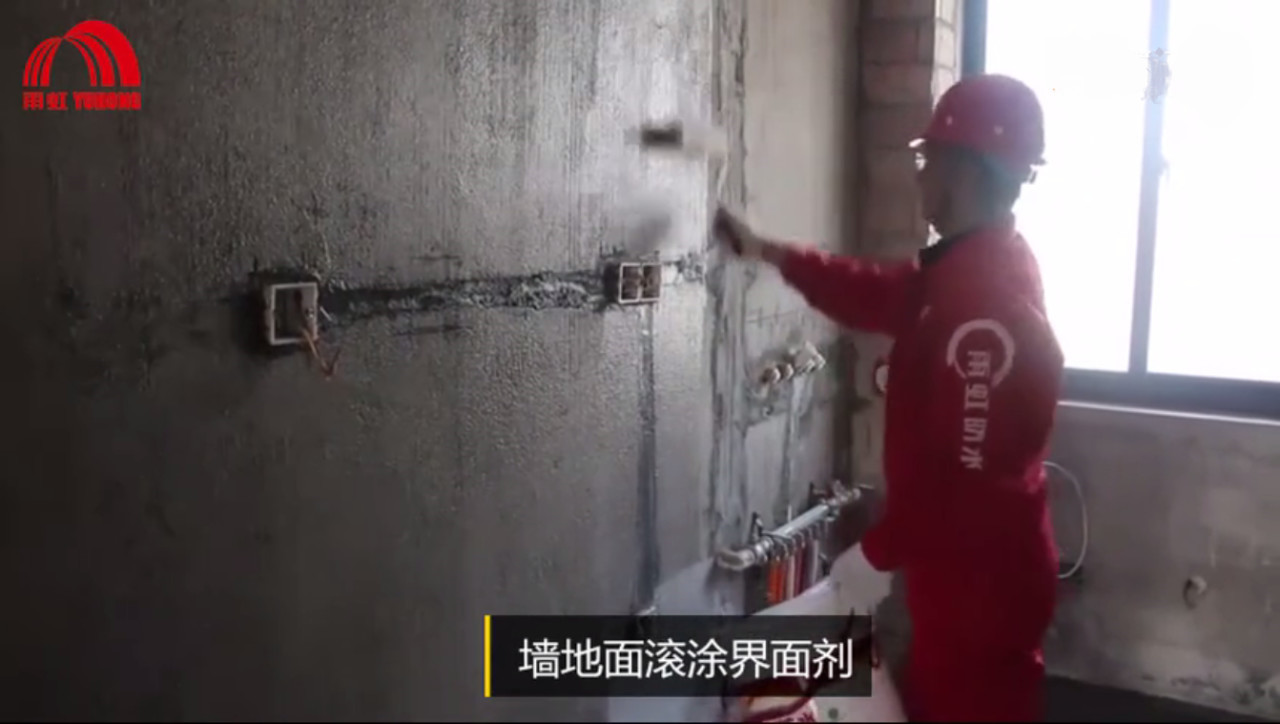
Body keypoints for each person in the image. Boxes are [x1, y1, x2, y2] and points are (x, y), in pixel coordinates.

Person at [713, 73, 1063, 722]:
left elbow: (969, 487)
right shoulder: (964, 269)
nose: (920, 177)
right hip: (962, 579)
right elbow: (877, 293)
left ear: (965, 171)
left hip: (982, 588)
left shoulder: (988, 311)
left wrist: (877, 554)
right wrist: (770, 253)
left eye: (930, 161)